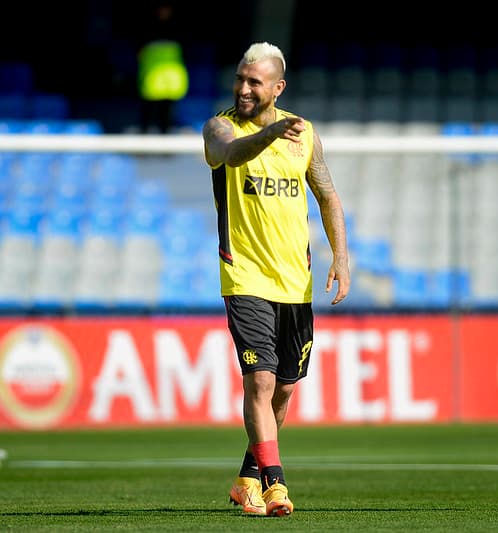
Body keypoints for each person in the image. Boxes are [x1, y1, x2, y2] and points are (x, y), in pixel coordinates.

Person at [202, 41, 350, 517]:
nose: (243, 88)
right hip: (244, 275)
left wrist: (341, 258)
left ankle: (246, 478)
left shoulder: (304, 135)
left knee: (284, 388)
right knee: (260, 382)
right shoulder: (219, 126)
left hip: (295, 281)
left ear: (277, 87)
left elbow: (327, 195)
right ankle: (275, 487)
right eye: (240, 79)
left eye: (254, 82)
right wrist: (271, 133)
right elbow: (232, 154)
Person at [137, 1, 189, 133]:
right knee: (147, 112)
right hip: (151, 79)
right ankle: (142, 145)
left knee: (166, 113)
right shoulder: (146, 29)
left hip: (170, 81)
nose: (164, 12)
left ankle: (166, 147)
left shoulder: (178, 29)